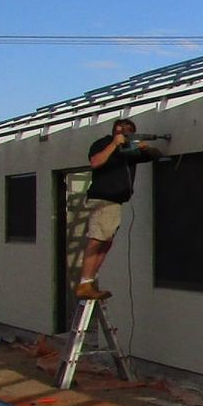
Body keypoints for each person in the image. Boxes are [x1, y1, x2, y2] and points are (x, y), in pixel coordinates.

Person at [74, 118, 162, 301]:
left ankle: (89, 281)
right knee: (97, 239)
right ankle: (85, 283)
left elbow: (155, 154)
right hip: (103, 200)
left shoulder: (130, 149)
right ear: (115, 130)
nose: (124, 132)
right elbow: (96, 162)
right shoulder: (104, 143)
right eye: (121, 130)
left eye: (129, 130)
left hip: (115, 202)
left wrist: (145, 148)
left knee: (106, 241)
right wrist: (114, 144)